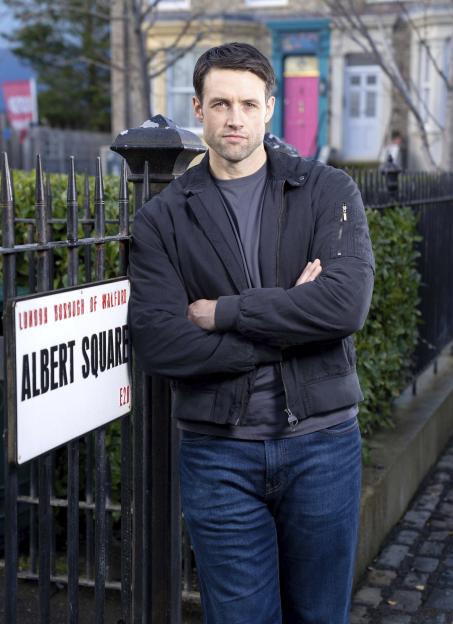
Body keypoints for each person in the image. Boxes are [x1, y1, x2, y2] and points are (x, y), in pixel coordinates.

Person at [128, 42, 375, 624]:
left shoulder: (326, 191)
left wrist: (225, 313)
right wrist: (292, 315)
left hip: (323, 446)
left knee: (319, 615)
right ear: (198, 108)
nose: (233, 117)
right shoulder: (163, 217)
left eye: (246, 103)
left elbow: (344, 306)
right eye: (219, 104)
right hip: (219, 454)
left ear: (270, 107)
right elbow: (160, 340)